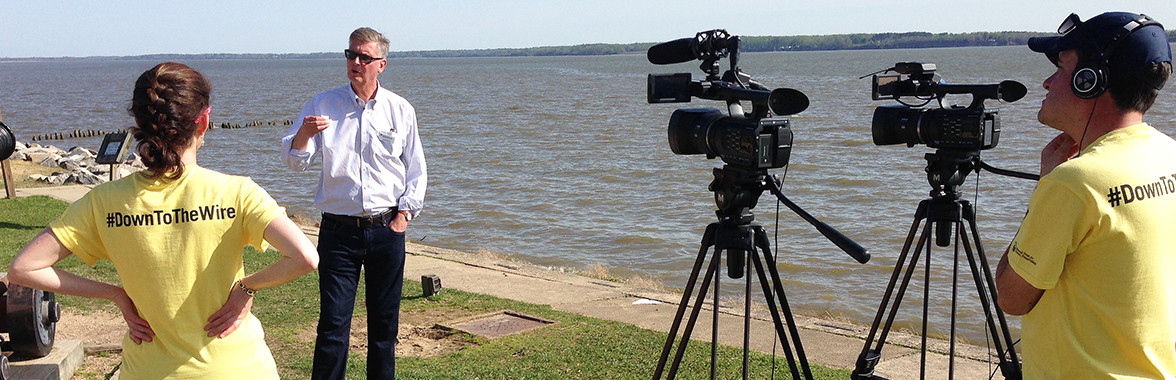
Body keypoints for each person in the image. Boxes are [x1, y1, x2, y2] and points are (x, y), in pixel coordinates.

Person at [8, 62, 319, 379]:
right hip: (239, 367)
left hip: (149, 370)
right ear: (204, 121)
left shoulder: (104, 202)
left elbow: (23, 268)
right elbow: (305, 257)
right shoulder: (237, 193)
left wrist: (114, 294)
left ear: (140, 123)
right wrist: (246, 288)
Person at [995, 11, 1176, 378]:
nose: (1046, 82)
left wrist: (1047, 185)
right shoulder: (1168, 154)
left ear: (1089, 80)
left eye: (1060, 69)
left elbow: (1011, 297)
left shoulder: (1075, 183)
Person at [280, 27, 427, 379]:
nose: (355, 62)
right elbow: (294, 161)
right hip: (338, 232)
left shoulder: (400, 110)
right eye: (350, 55)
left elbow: (417, 169)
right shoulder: (322, 104)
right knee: (332, 327)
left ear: (382, 64)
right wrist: (304, 134)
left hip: (387, 229)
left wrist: (404, 215)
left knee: (384, 328)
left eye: (364, 57)